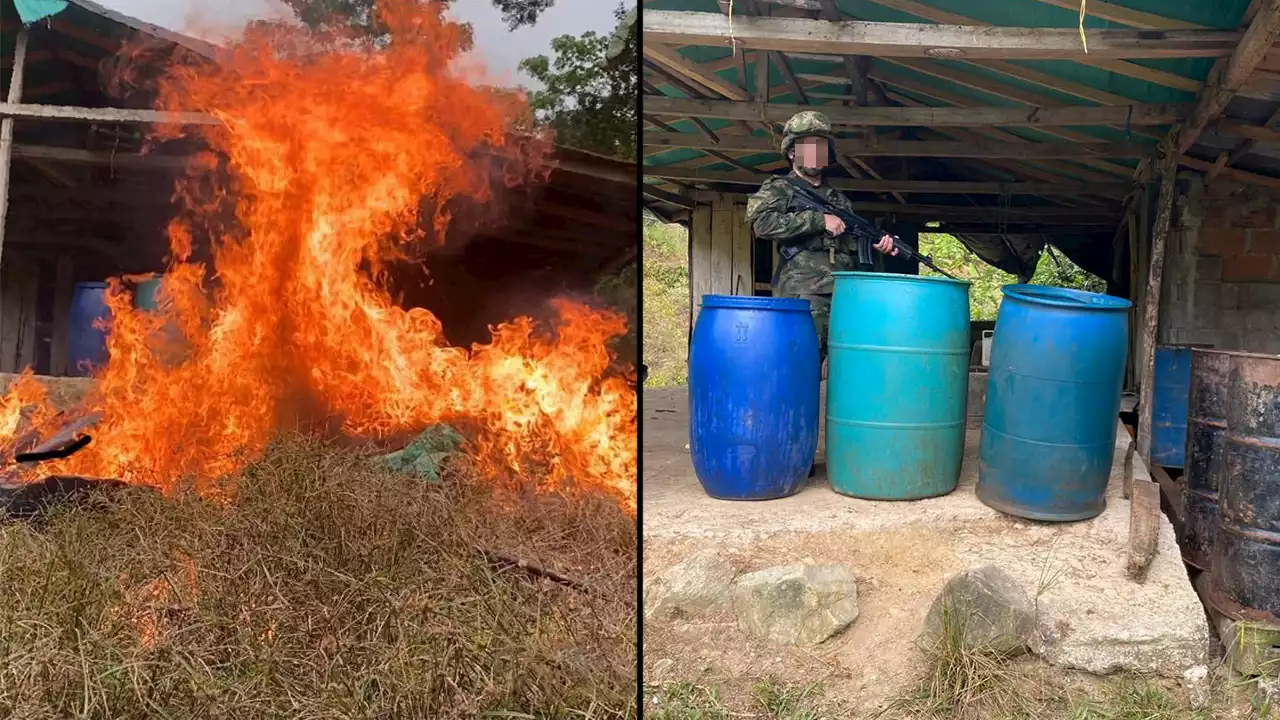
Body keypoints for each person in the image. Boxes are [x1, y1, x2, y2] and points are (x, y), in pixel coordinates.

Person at [746, 111, 897, 366]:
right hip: (804, 293)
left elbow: (845, 239)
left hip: (845, 294)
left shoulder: (838, 199)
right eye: (807, 147)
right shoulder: (778, 188)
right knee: (799, 365)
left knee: (847, 365)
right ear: (792, 153)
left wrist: (877, 242)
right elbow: (761, 224)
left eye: (821, 147)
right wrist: (818, 220)